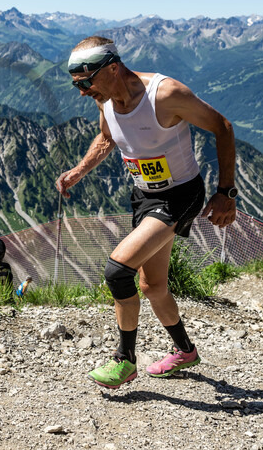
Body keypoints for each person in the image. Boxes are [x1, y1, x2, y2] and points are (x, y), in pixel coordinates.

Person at [55, 36, 237, 389]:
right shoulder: (105, 99)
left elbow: (223, 127)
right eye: (77, 84)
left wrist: (225, 192)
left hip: (180, 195)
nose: (82, 91)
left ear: (112, 67)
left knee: (117, 270)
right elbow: (107, 139)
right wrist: (79, 170)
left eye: (86, 82)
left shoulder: (165, 95)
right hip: (144, 197)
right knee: (152, 286)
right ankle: (185, 351)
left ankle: (124, 360)